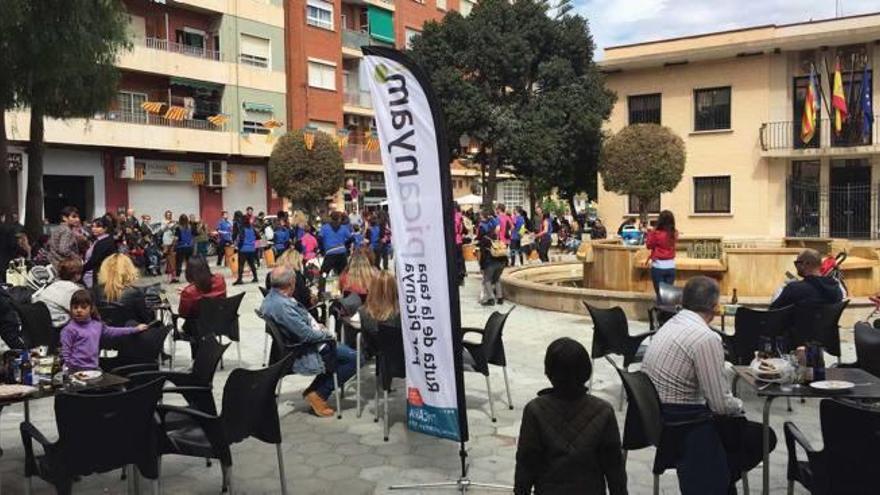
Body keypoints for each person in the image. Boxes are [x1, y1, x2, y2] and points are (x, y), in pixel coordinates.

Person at [642, 276, 773, 494]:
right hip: (683, 424)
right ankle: (713, 482)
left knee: (737, 438)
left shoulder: (669, 324)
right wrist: (739, 404)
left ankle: (717, 480)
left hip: (657, 418)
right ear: (714, 306)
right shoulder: (705, 338)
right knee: (761, 436)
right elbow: (721, 404)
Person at [515, 337, 627, 495]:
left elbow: (526, 462)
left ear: (548, 371)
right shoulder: (603, 411)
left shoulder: (535, 410)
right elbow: (614, 466)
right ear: (586, 371)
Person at [260, 266, 358, 417]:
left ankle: (316, 392)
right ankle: (318, 394)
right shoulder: (282, 306)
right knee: (356, 358)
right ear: (291, 282)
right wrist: (327, 334)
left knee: (349, 355)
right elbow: (306, 336)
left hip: (306, 341)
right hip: (306, 349)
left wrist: (316, 325)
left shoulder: (273, 298)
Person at [60, 289, 148, 371]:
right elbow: (65, 353)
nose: (79, 310)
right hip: (75, 370)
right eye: (75, 307)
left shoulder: (97, 325)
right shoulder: (69, 330)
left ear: (91, 309)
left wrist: (135, 329)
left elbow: (114, 331)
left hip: (94, 368)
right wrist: (70, 370)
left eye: (83, 307)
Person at [178, 255, 227, 355]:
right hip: (220, 323)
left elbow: (183, 313)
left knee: (190, 322)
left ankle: (196, 358)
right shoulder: (220, 280)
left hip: (198, 328)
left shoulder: (189, 292)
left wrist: (185, 295)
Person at [770, 248, 844, 310]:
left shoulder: (794, 289)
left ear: (806, 263)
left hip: (798, 327)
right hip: (825, 327)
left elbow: (773, 311)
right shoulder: (836, 288)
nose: (796, 266)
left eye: (797, 263)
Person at [96, 253, 154, 324]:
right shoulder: (134, 293)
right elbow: (146, 320)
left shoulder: (94, 292)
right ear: (129, 270)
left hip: (104, 333)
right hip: (131, 333)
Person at [34, 258, 84, 328]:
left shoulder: (52, 285)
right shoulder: (73, 289)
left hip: (42, 324)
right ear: (76, 275)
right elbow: (83, 314)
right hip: (58, 327)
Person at [646, 210, 678, 301]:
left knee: (660, 296)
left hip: (658, 266)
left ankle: (661, 314)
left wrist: (650, 233)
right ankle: (668, 314)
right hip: (671, 266)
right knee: (668, 296)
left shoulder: (656, 233)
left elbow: (649, 245)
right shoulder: (674, 233)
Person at [81, 217, 116, 289]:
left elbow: (94, 261)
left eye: (98, 227)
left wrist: (81, 269)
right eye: (93, 226)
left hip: (99, 275)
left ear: (105, 228)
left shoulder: (105, 242)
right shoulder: (99, 240)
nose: (94, 229)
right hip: (93, 274)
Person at [478, 227, 506, 306]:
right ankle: (500, 298)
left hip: (490, 263)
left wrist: (482, 266)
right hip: (501, 262)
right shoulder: (498, 238)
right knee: (497, 279)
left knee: (487, 280)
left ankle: (491, 299)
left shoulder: (484, 239)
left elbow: (483, 255)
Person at [320, 211, 352, 276]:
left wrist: (322, 249)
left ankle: (322, 285)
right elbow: (351, 238)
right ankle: (344, 286)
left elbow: (319, 239)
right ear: (339, 218)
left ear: (330, 218)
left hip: (330, 253)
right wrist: (345, 245)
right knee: (344, 274)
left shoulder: (324, 227)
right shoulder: (343, 227)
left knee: (323, 274)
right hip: (341, 253)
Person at [233, 215, 260, 285]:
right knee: (252, 264)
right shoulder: (252, 228)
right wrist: (254, 245)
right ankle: (255, 277)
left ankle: (239, 279)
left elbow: (241, 239)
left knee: (241, 265)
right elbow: (258, 237)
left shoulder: (242, 229)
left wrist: (238, 246)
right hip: (252, 249)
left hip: (243, 249)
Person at [173, 214, 197, 283]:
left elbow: (176, 238)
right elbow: (194, 237)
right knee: (189, 263)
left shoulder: (178, 228)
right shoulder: (190, 227)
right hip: (189, 247)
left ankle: (177, 278)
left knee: (179, 263)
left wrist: (173, 246)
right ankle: (191, 277)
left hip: (180, 247)